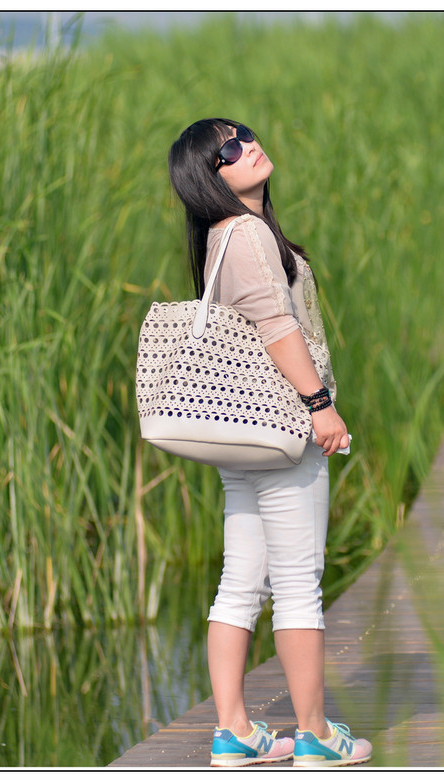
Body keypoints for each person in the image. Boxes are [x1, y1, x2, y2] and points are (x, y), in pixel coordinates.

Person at [167, 118, 371, 768]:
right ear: (209, 179)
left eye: (244, 134)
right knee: (297, 582)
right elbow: (278, 327)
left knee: (241, 581)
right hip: (283, 430)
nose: (247, 146)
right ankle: (314, 734)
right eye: (228, 149)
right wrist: (319, 405)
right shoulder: (248, 234)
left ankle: (234, 731)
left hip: (241, 434)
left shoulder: (220, 238)